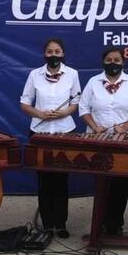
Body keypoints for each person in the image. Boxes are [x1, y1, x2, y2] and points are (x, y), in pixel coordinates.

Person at [20, 38, 81, 238]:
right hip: (40, 132)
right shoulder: (34, 75)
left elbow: (76, 101)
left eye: (57, 51)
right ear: (44, 54)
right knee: (44, 180)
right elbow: (24, 103)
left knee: (61, 179)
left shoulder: (72, 74)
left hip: (64, 130)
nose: (53, 55)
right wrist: (39, 114)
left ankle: (60, 224)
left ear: (63, 54)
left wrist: (64, 113)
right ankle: (47, 225)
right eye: (49, 51)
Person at [79, 46, 128, 236]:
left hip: (126, 140)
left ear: (124, 62)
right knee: (102, 183)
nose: (113, 63)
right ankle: (99, 223)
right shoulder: (93, 82)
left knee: (121, 183)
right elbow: (83, 109)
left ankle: (115, 224)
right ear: (103, 62)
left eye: (117, 60)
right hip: (99, 139)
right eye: (109, 60)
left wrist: (124, 128)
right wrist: (95, 126)